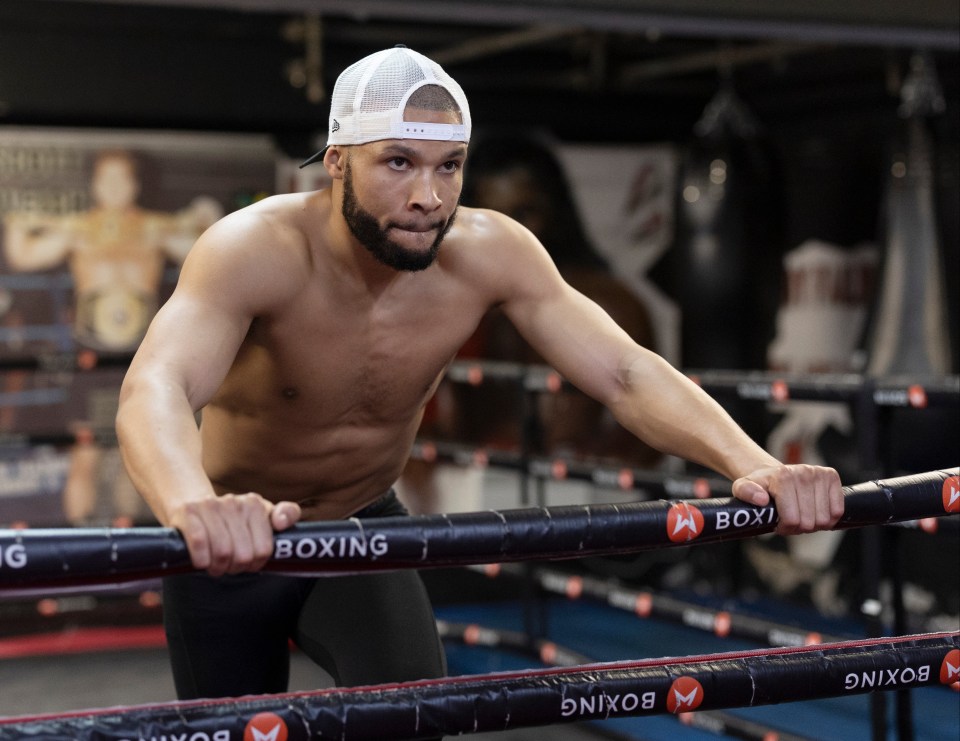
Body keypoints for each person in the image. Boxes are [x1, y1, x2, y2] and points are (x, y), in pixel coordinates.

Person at [116, 46, 844, 702]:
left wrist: (760, 465)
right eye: (398, 162)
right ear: (337, 160)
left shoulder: (491, 252)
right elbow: (158, 385)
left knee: (414, 716)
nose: (429, 197)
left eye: (449, 166)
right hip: (230, 540)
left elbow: (624, 370)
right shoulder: (255, 249)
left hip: (361, 526)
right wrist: (193, 505)